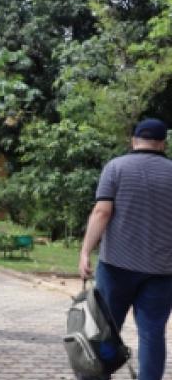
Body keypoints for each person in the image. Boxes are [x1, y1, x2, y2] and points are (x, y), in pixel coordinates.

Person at [79, 118, 172, 380]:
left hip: (116, 266)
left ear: (134, 140)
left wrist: (85, 251)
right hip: (161, 271)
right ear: (163, 143)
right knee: (153, 333)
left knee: (106, 329)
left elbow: (102, 211)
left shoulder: (116, 167)